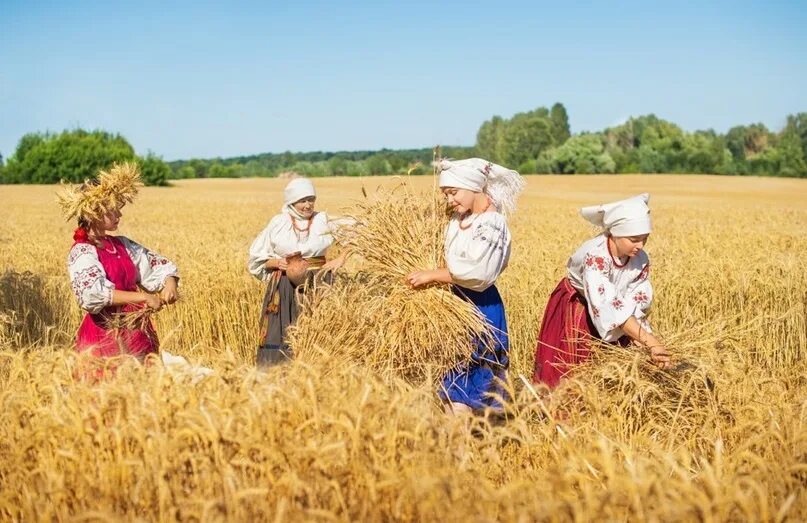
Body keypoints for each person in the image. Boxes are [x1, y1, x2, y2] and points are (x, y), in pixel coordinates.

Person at [406, 158, 524, 414]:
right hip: (450, 305)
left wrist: (432, 275)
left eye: (453, 193)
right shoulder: (457, 219)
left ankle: (474, 447)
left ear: (474, 188)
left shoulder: (492, 224)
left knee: (474, 390)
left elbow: (479, 273)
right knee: (451, 390)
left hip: (479, 309)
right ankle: (457, 449)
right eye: (446, 194)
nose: (449, 200)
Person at [532, 193, 671, 388]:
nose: (640, 246)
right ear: (615, 233)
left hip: (617, 316)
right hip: (577, 308)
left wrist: (641, 336)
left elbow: (638, 298)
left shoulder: (640, 258)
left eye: (644, 239)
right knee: (575, 371)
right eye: (634, 239)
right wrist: (649, 341)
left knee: (613, 372)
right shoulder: (595, 256)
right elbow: (606, 304)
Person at [59, 162, 179, 360]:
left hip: (138, 335)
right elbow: (92, 295)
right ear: (94, 212)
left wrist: (169, 284)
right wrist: (143, 298)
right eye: (113, 209)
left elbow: (158, 266)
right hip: (104, 342)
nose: (119, 214)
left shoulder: (122, 245)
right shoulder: (82, 252)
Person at [248, 177, 346, 366]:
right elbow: (256, 260)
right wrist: (277, 262)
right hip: (283, 286)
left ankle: (319, 373)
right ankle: (278, 374)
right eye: (302, 200)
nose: (308, 205)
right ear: (291, 202)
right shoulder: (278, 223)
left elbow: (359, 232)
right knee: (283, 329)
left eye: (311, 199)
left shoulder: (323, 220)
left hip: (320, 283)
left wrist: (341, 258)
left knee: (319, 328)